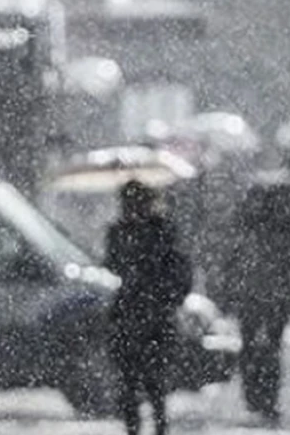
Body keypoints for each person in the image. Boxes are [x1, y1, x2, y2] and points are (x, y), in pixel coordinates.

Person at [105, 181, 193, 435]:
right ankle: (136, 428)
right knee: (131, 383)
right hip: (131, 313)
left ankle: (157, 427)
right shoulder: (119, 231)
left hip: (153, 314)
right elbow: (111, 264)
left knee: (153, 383)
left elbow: (176, 269)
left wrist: (166, 297)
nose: (129, 208)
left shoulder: (161, 230)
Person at [223, 188, 290, 424]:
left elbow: (231, 268)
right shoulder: (281, 233)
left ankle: (257, 397)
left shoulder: (246, 233)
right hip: (267, 300)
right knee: (267, 352)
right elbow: (289, 269)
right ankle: (265, 398)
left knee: (253, 350)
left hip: (257, 300)